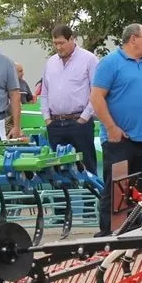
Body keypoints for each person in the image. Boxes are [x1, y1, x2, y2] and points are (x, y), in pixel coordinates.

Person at [90, 23, 142, 236]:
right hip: (120, 140)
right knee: (116, 191)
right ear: (133, 39)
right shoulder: (110, 63)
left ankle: (134, 232)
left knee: (140, 189)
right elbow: (96, 97)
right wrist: (111, 127)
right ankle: (109, 235)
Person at [40, 25, 98, 176]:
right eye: (55, 43)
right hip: (55, 124)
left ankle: (91, 192)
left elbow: (97, 92)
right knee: (59, 172)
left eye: (62, 43)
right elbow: (44, 93)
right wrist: (47, 119)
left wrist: (84, 118)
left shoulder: (89, 59)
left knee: (87, 168)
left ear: (71, 39)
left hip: (79, 122)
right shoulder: (50, 63)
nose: (58, 47)